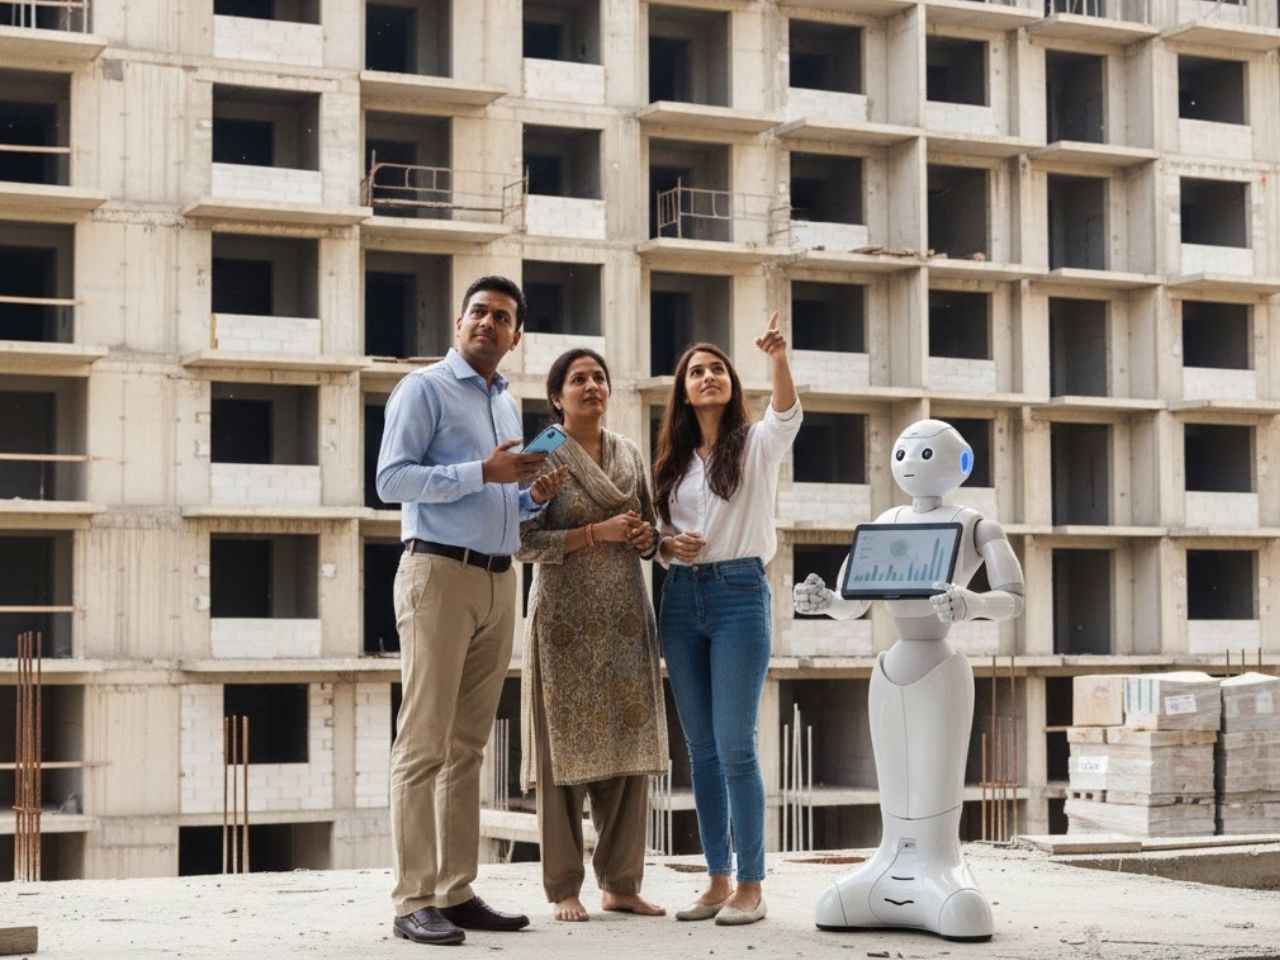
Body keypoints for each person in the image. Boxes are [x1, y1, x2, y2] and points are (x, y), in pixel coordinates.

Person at [376, 276, 569, 947]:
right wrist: (477, 474)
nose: (489, 323)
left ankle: (455, 891)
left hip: (498, 579)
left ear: (517, 337)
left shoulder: (508, 406)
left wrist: (534, 494)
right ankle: (412, 899)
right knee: (423, 742)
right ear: (459, 322)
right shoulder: (424, 389)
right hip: (438, 574)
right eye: (479, 313)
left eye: (503, 317)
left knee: (468, 747)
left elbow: (507, 500)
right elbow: (389, 479)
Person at [652, 313, 800, 926]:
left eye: (716, 369)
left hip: (740, 593)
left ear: (731, 383)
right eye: (696, 371)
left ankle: (751, 884)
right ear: (683, 390)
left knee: (738, 746)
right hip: (680, 599)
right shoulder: (674, 461)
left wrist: (778, 360)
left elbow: (787, 413)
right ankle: (715, 880)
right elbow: (658, 536)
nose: (707, 377)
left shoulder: (757, 444)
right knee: (702, 749)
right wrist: (668, 547)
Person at [516, 348, 670, 923]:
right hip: (563, 623)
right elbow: (519, 541)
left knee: (630, 753)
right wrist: (592, 533)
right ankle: (563, 888)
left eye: (599, 377)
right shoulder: (543, 454)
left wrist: (641, 539)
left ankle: (622, 884)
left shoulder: (629, 452)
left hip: (627, 619)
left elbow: (653, 532)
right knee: (562, 755)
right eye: (578, 379)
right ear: (557, 396)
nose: (591, 386)